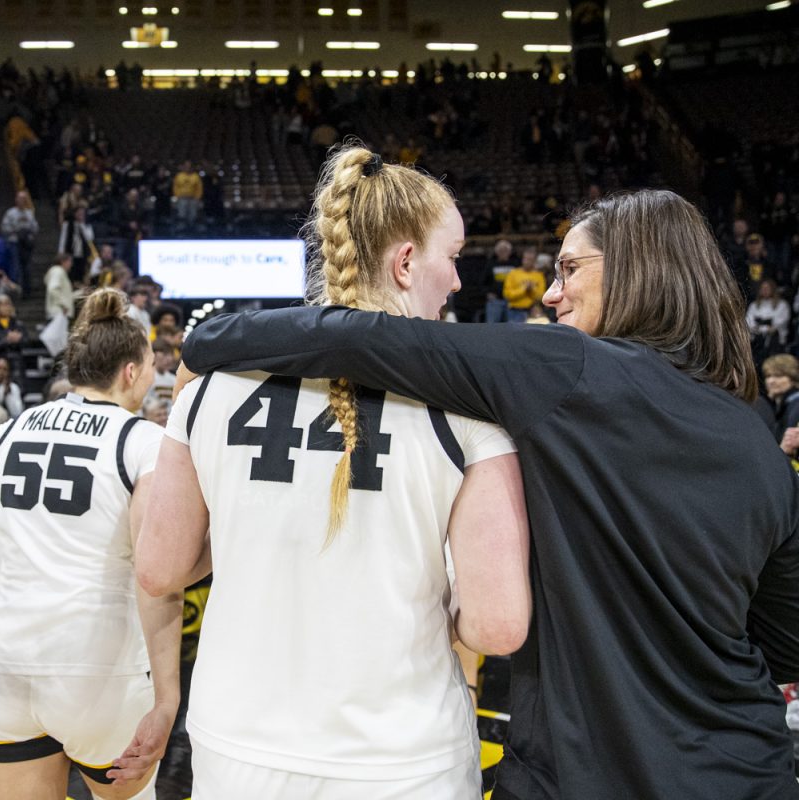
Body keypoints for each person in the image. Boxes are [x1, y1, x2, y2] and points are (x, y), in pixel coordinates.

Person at [180, 187, 799, 799]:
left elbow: (360, 339)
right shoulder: (757, 438)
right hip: (747, 769)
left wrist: (205, 342)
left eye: (569, 269)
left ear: (640, 272)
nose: (552, 293)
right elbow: (787, 645)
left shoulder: (566, 368)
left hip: (578, 772)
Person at [136, 148, 530, 797]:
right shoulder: (470, 412)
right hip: (400, 755)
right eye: (452, 257)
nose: (458, 281)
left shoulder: (205, 394)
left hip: (237, 747)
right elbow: (496, 625)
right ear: (406, 263)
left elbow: (159, 568)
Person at [0, 288, 180, 799]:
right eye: (149, 364)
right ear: (130, 371)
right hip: (98, 674)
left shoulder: (7, 432)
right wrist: (167, 699)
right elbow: (156, 575)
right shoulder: (143, 440)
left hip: (5, 670)